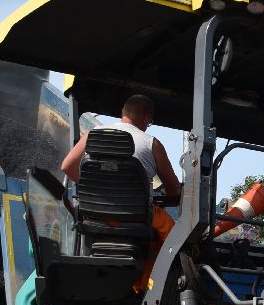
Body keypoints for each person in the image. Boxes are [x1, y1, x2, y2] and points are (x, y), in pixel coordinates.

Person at [61, 94, 182, 286]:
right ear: (147, 118)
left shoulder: (92, 135)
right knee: (173, 238)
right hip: (136, 218)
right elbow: (174, 189)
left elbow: (67, 167)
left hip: (95, 215)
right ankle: (158, 285)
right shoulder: (152, 144)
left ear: (123, 113)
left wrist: (92, 191)